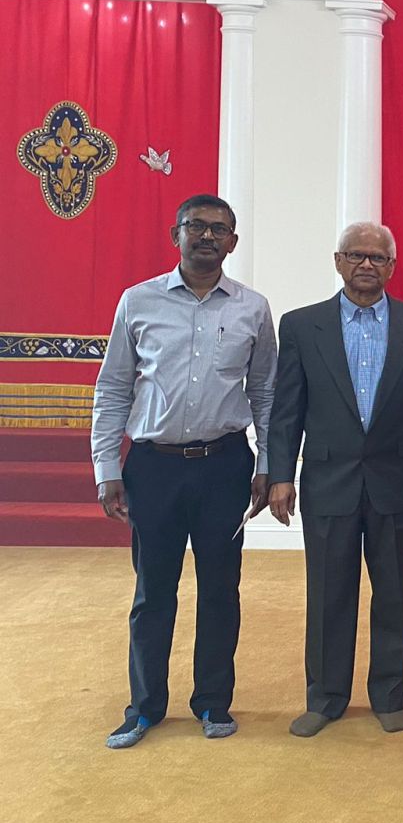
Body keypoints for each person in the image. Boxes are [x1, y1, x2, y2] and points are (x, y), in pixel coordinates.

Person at [92, 194, 275, 749]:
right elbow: (114, 387)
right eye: (196, 226)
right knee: (153, 592)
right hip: (154, 468)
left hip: (224, 466)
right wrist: (106, 466)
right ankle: (144, 707)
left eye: (220, 229)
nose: (208, 236)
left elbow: (265, 392)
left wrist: (268, 464)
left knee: (221, 590)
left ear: (233, 242)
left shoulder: (252, 308)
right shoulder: (138, 301)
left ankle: (213, 701)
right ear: (176, 234)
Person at [264, 222, 403, 738]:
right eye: (356, 255)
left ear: (392, 266)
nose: (367, 265)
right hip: (327, 479)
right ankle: (325, 697)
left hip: (395, 479)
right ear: (338, 261)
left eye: (378, 257)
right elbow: (287, 408)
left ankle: (389, 695)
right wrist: (281, 474)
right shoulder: (302, 325)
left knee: (393, 591)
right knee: (328, 592)